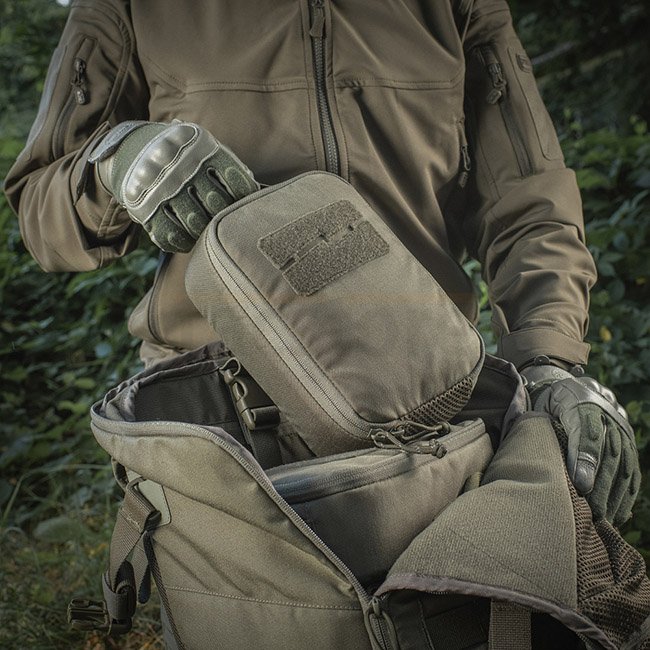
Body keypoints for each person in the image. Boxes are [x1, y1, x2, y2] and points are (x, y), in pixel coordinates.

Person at [4, 0, 639, 526]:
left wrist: (549, 360)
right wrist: (115, 162)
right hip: (222, 414)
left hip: (427, 400)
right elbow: (38, 206)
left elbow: (527, 200)